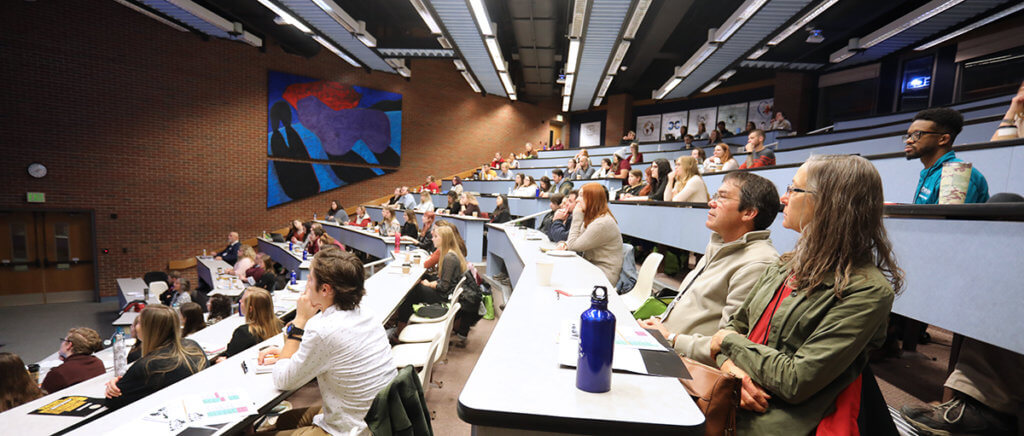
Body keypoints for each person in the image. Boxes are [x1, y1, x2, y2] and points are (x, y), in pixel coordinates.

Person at [707, 155, 902, 434]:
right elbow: (733, 328)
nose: (784, 199)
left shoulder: (868, 291)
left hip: (777, 423)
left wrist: (729, 343)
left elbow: (795, 380)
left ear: (830, 204)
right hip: (731, 398)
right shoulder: (786, 264)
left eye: (794, 189)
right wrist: (731, 368)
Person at [639, 172, 780, 365]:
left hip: (686, 365)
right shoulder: (719, 244)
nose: (711, 203)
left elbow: (729, 343)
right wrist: (659, 325)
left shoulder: (758, 263)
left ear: (748, 213)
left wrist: (672, 338)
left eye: (722, 197)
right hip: (665, 344)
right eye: (715, 196)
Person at [257, 249, 396, 436]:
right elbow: (332, 351)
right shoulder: (367, 313)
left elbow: (282, 379)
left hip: (351, 429)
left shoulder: (322, 329)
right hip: (375, 419)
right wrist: (285, 352)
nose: (306, 286)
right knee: (284, 419)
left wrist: (299, 321)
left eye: (310, 280)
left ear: (325, 289)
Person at [105, 305, 209, 410]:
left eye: (139, 322)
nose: (136, 326)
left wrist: (116, 384)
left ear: (149, 329)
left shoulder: (147, 365)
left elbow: (112, 401)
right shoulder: (192, 346)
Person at [906, 107, 989, 204]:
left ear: (943, 139)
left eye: (917, 134)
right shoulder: (930, 172)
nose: (909, 140)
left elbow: (947, 219)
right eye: (909, 135)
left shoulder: (957, 174)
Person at [398, 226, 468, 323]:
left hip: (444, 297)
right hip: (446, 293)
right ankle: (400, 320)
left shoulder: (449, 258)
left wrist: (429, 284)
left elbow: (443, 286)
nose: (432, 239)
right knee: (418, 287)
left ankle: (400, 326)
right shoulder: (449, 254)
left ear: (444, 239)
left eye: (435, 237)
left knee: (414, 291)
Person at [557, 183, 623, 284]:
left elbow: (573, 246)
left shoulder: (602, 223)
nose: (577, 200)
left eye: (581, 196)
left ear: (592, 199)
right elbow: (574, 241)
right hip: (592, 268)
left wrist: (577, 217)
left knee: (561, 276)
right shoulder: (594, 219)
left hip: (604, 275)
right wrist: (565, 244)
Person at [215, 288, 283, 363]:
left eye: (243, 301)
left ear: (250, 309)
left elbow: (228, 357)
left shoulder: (244, 332)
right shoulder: (280, 325)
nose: (240, 301)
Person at [41, 327, 105, 393]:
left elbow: (40, 397)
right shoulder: (98, 363)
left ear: (69, 345)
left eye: (64, 340)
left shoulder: (58, 373)